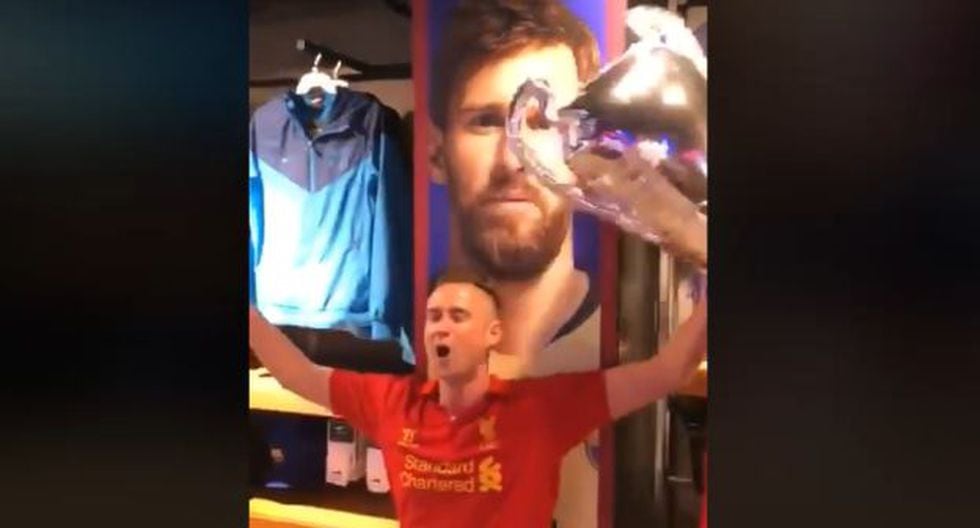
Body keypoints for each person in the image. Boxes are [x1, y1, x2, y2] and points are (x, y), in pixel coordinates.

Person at [249, 268, 707, 528]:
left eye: (458, 316)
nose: (441, 327)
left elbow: (666, 371)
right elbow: (297, 374)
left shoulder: (543, 408)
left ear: (493, 334)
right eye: (433, 317)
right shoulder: (392, 401)